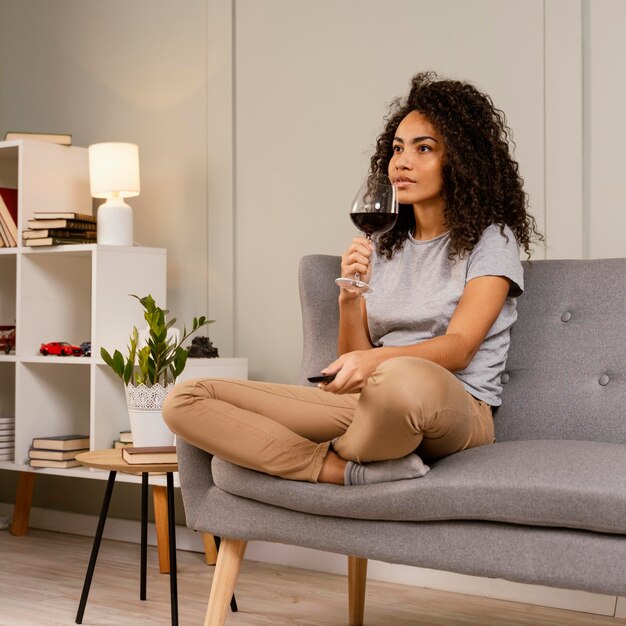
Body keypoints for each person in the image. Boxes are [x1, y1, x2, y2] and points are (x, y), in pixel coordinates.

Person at [163, 71, 542, 487]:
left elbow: (459, 348)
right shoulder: (383, 243)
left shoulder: (492, 239)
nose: (402, 161)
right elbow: (352, 360)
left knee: (396, 379)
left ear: (463, 161)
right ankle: (340, 470)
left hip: (457, 408)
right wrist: (350, 296)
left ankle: (310, 450)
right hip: (373, 402)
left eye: (424, 148)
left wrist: (376, 362)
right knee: (186, 399)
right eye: (398, 149)